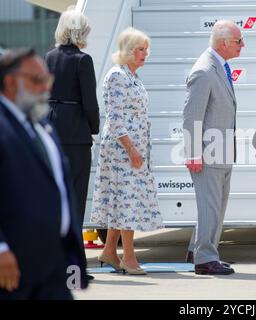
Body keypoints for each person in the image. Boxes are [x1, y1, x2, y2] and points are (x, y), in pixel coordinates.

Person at [0, 48, 88, 299]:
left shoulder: (43, 126)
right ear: (9, 81)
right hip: (12, 268)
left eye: (47, 80)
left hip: (53, 266)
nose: (45, 88)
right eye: (37, 80)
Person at [90, 27, 163, 275]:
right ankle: (128, 257)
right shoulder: (116, 76)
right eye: (141, 49)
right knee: (126, 202)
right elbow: (115, 118)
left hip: (133, 148)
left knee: (122, 200)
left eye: (146, 49)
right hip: (122, 150)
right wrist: (131, 150)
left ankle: (109, 251)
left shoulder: (132, 76)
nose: (146, 53)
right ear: (128, 51)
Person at [183, 20, 244, 275]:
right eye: (238, 41)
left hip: (220, 151)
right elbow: (191, 116)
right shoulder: (205, 70)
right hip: (208, 152)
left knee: (214, 206)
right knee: (210, 206)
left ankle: (198, 251)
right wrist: (193, 152)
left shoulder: (219, 67)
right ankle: (205, 259)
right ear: (223, 43)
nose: (243, 45)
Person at [45, 9, 100, 232]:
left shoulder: (49, 56)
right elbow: (90, 102)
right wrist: (93, 128)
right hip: (76, 133)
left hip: (52, 128)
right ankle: (72, 254)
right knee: (76, 194)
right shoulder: (83, 60)